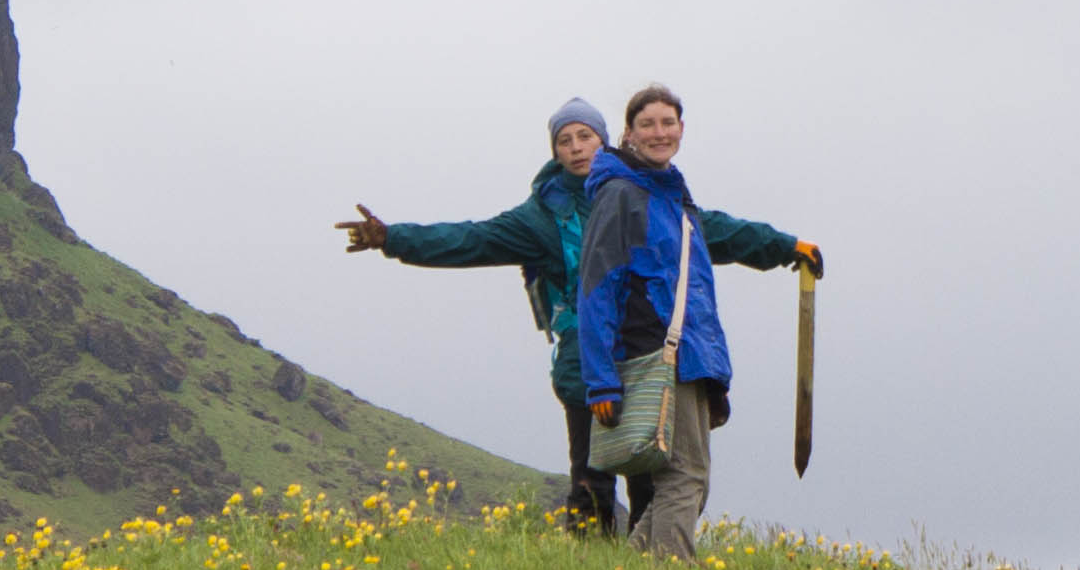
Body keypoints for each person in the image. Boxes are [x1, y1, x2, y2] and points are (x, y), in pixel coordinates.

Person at [340, 96, 816, 538]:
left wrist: (785, 247)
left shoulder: (640, 191)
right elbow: (469, 239)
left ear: (605, 140)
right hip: (584, 364)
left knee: (651, 473)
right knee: (592, 477)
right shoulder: (538, 219)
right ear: (555, 151)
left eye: (584, 136)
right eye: (564, 141)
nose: (575, 148)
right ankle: (593, 568)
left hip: (648, 353)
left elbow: (716, 232)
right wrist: (393, 238)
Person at [577, 84, 773, 559]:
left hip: (691, 356)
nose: (659, 133)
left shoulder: (673, 196)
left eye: (668, 123)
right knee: (684, 476)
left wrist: (712, 369)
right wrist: (601, 381)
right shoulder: (621, 195)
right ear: (628, 133)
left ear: (682, 129)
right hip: (655, 354)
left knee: (686, 479)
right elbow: (596, 290)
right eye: (647, 124)